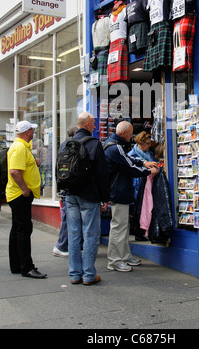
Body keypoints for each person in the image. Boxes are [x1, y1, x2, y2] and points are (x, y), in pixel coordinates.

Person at [104, 121, 158, 272]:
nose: (132, 136)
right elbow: (129, 167)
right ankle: (115, 260)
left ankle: (125, 256)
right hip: (118, 192)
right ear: (123, 134)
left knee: (123, 227)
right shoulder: (115, 147)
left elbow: (129, 161)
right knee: (118, 227)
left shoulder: (114, 145)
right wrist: (148, 171)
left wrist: (144, 162)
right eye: (130, 133)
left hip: (119, 191)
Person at [65, 112, 110, 285]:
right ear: (87, 124)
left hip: (70, 195)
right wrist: (105, 197)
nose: (95, 127)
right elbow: (101, 173)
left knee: (74, 234)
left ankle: (75, 274)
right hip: (89, 196)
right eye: (93, 124)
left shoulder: (66, 143)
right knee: (90, 235)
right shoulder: (93, 144)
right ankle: (89, 275)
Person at [6, 120, 47, 279]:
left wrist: (33, 164)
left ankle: (16, 265)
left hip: (17, 194)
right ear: (27, 132)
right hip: (19, 195)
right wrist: (24, 189)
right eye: (32, 130)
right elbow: (15, 171)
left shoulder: (22, 147)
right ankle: (27, 267)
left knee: (17, 229)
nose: (33, 132)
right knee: (23, 230)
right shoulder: (20, 147)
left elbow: (20, 167)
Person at [53, 125, 78, 258]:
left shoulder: (64, 144)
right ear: (75, 133)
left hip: (64, 183)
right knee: (68, 217)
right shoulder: (71, 145)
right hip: (70, 186)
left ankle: (65, 244)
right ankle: (61, 245)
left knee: (68, 216)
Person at [128, 131, 157, 241]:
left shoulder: (149, 154)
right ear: (141, 143)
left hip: (148, 184)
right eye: (148, 143)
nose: (150, 146)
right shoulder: (132, 155)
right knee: (139, 209)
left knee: (147, 208)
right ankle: (138, 232)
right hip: (138, 184)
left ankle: (146, 231)